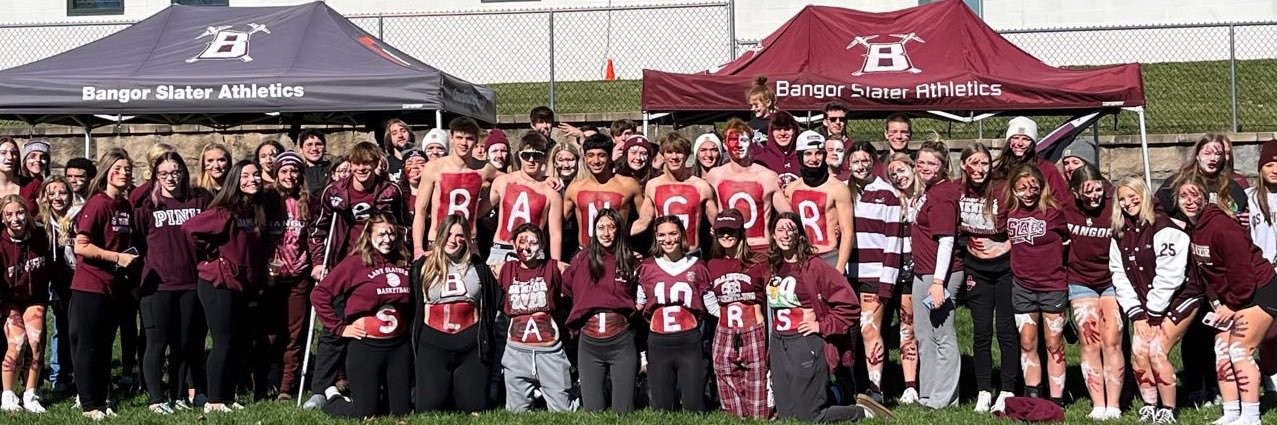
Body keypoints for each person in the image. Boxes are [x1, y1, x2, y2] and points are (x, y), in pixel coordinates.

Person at [304, 142, 405, 409]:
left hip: (381, 265)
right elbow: (318, 229)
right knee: (334, 329)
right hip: (344, 264)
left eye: (367, 163)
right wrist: (317, 263)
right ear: (351, 164)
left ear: (376, 164)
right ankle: (320, 387)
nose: (362, 168)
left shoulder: (390, 191)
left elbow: (402, 223)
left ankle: (369, 380)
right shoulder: (335, 192)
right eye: (358, 163)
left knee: (379, 323)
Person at [766, 212, 891, 422]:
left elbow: (849, 304)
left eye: (791, 229)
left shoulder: (815, 266)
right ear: (773, 235)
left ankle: (863, 411)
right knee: (788, 416)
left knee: (811, 416)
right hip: (779, 343)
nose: (786, 235)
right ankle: (839, 392)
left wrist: (821, 325)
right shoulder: (772, 266)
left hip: (805, 342)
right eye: (780, 229)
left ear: (800, 235)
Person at [1155, 134, 1246, 405]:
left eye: (1218, 152)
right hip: (1188, 265)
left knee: (1218, 329)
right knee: (1194, 329)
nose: (1212, 157)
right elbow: (1157, 211)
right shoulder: (1176, 182)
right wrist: (1177, 226)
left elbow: (1241, 219)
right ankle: (1196, 385)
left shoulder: (1232, 185)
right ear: (1197, 154)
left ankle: (1219, 386)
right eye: (1207, 151)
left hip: (1218, 267)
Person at [1179, 175, 1277, 425]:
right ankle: (1232, 412)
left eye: (1194, 195)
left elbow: (1243, 275)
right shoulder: (1194, 228)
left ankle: (1251, 415)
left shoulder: (1222, 226)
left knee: (1239, 350)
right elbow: (1205, 275)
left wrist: (1231, 305)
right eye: (1183, 196)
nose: (1189, 201)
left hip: (1259, 291)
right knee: (1221, 351)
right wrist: (1217, 304)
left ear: (1205, 197)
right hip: (1233, 298)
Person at [1109, 176, 1199, 424]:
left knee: (1157, 350)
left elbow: (1171, 275)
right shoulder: (1119, 233)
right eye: (1122, 199)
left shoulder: (1165, 227)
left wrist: (1154, 313)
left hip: (1181, 297)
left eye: (1133, 196)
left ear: (1144, 195)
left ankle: (1168, 409)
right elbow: (1119, 274)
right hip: (1146, 306)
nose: (1128, 203)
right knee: (1139, 351)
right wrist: (1137, 313)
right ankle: (1150, 405)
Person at [183, 159, 267, 413]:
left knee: (237, 342)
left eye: (256, 175)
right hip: (217, 283)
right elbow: (190, 229)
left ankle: (227, 396)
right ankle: (214, 400)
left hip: (242, 285)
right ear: (235, 181)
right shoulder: (224, 210)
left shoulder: (252, 209)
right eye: (246, 176)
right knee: (223, 341)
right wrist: (212, 253)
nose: (252, 180)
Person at [310, 213, 412, 418]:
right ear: (368, 235)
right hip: (366, 348)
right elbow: (319, 294)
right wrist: (340, 328)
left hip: (398, 348)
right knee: (364, 413)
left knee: (401, 412)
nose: (388, 239)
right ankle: (333, 398)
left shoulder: (403, 262)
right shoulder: (354, 263)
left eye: (392, 234)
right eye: (382, 233)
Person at [133, 152, 212, 415]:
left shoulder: (198, 200)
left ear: (184, 172)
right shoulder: (148, 205)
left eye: (175, 171)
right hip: (158, 285)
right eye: (164, 173)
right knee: (157, 342)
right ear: (155, 175)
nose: (170, 177)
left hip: (190, 282)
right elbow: (139, 239)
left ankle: (178, 395)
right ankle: (156, 398)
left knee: (184, 343)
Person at [70, 149, 137, 420]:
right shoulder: (98, 203)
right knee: (88, 345)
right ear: (107, 171)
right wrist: (117, 257)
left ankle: (100, 398)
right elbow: (81, 246)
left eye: (128, 169)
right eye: (118, 168)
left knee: (106, 346)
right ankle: (88, 404)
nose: (123, 173)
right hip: (90, 286)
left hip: (114, 287)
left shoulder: (124, 205)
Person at [411, 213, 499, 413]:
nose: (453, 239)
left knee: (474, 407)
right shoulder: (422, 266)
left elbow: (493, 302)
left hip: (470, 343)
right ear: (440, 235)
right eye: (449, 234)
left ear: (467, 239)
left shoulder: (478, 267)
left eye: (460, 236)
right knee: (428, 408)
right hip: (433, 342)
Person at [956, 143, 1019, 413]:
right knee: (981, 331)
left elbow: (1021, 222)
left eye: (984, 163)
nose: (979, 169)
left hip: (1005, 268)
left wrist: (1007, 245)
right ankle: (984, 390)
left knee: (1006, 331)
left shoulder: (1002, 189)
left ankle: (1007, 390)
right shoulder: (957, 191)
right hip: (976, 269)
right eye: (974, 163)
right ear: (963, 165)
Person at [845, 141, 906, 405]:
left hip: (874, 274)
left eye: (865, 159)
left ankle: (876, 388)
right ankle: (850, 386)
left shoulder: (888, 194)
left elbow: (894, 242)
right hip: (846, 273)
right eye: (856, 160)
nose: (861, 165)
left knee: (870, 331)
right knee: (849, 334)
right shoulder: (841, 190)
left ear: (874, 161)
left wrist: (886, 283)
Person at [561, 208, 640, 413]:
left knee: (623, 411)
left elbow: (638, 292)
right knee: (593, 411)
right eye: (601, 227)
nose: (606, 233)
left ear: (618, 230)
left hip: (621, 340)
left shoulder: (630, 259)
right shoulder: (581, 259)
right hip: (589, 341)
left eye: (611, 227)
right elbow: (566, 288)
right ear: (594, 231)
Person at [1062, 164, 1123, 419]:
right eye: (1088, 192)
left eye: (1098, 190)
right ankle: (1098, 404)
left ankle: (1115, 405)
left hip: (1111, 280)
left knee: (1112, 338)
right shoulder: (1065, 208)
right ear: (1076, 192)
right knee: (1090, 339)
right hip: (1080, 280)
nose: (1095, 196)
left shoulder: (1114, 205)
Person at [1004, 164, 1069, 404]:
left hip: (1053, 285)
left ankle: (1056, 399)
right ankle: (1033, 394)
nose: (1029, 193)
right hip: (1023, 286)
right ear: (1013, 189)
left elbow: (1069, 239)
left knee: (1054, 343)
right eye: (1022, 188)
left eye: (1034, 187)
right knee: (1027, 342)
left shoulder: (1053, 211)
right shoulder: (1010, 213)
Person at [636, 216, 711, 412]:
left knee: (694, 407)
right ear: (655, 237)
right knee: (662, 408)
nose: (668, 240)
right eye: (662, 235)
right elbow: (639, 304)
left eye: (672, 233)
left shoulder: (698, 265)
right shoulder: (647, 267)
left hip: (689, 340)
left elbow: (712, 305)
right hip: (659, 341)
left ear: (682, 235)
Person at [495, 223, 573, 412]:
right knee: (516, 413)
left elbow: (582, 274)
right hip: (516, 351)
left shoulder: (554, 267)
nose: (527, 247)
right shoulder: (504, 269)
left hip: (550, 352)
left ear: (542, 246)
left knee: (563, 411)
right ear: (513, 245)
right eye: (522, 242)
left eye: (533, 242)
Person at [909, 141, 964, 409]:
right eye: (921, 162)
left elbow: (946, 241)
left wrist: (939, 283)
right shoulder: (929, 191)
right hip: (922, 272)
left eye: (932, 163)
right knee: (924, 335)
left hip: (940, 274)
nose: (925, 168)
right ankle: (928, 394)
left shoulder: (943, 194)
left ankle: (946, 398)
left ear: (943, 166)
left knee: (942, 335)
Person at [705, 209, 769, 419]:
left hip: (753, 330)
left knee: (757, 390)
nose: (726, 236)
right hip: (724, 331)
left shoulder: (759, 263)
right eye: (721, 231)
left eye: (731, 231)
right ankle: (739, 416)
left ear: (741, 233)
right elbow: (707, 298)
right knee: (725, 375)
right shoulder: (712, 264)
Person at [263, 151, 312, 402]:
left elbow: (313, 238)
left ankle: (286, 386)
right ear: (276, 175)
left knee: (295, 331)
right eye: (284, 171)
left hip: (299, 275)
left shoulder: (307, 201)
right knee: (272, 331)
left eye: (293, 171)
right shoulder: (269, 200)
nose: (289, 176)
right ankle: (268, 377)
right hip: (272, 275)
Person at [412, 117, 498, 259]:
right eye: (459, 137)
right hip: (438, 241)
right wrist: (418, 249)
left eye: (469, 139)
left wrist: (545, 180)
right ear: (451, 137)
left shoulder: (484, 168)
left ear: (477, 141)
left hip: (469, 242)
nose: (464, 143)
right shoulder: (434, 167)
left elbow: (510, 180)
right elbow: (420, 211)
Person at [704, 119, 785, 252]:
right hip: (729, 247)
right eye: (733, 140)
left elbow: (787, 215)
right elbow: (706, 207)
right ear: (724, 145)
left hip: (760, 247)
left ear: (751, 143)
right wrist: (716, 226)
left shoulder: (767, 176)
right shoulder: (715, 175)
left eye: (744, 140)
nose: (738, 145)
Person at [0, 195, 50, 413]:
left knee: (36, 341)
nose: (15, 219)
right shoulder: (0, 242)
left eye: (19, 213)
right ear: (2, 217)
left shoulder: (40, 235)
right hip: (8, 299)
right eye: (8, 214)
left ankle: (30, 393)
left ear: (27, 214)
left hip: (35, 297)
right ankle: (8, 394)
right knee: (17, 342)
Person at [484, 132, 564, 264]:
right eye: (526, 155)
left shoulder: (551, 191)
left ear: (545, 158)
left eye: (537, 155)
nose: (531, 160)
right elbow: (477, 211)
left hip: (533, 252)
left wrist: (555, 266)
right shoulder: (503, 181)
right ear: (520, 156)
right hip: (501, 250)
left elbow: (555, 234)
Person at [781, 131, 852, 271]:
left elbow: (847, 231)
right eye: (808, 154)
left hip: (828, 256)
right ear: (800, 156)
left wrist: (840, 266)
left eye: (818, 153)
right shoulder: (791, 189)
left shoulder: (838, 188)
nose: (814, 158)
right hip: (800, 256)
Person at [638, 133, 717, 256]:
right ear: (663, 155)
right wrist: (621, 240)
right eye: (669, 152)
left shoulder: (701, 186)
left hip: (691, 253)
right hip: (663, 253)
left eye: (679, 152)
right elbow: (643, 222)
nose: (674, 157)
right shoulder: (652, 185)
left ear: (686, 155)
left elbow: (717, 222)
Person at [563, 134, 646, 249]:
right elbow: (557, 223)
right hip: (586, 253)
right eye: (590, 156)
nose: (596, 161)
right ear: (585, 159)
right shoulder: (575, 188)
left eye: (601, 155)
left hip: (617, 252)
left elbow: (646, 219)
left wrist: (623, 235)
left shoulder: (628, 185)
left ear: (610, 157)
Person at [884, 154, 922, 404]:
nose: (899, 176)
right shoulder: (891, 201)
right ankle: (903, 384)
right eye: (893, 174)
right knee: (901, 327)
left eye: (902, 169)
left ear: (912, 167)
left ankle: (916, 383)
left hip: (919, 271)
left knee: (912, 327)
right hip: (892, 269)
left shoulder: (925, 198)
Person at [38, 177, 78, 396]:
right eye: (51, 193)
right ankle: (58, 376)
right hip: (54, 282)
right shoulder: (40, 223)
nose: (57, 197)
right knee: (58, 329)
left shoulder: (77, 217)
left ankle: (75, 373)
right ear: (45, 196)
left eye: (62, 192)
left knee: (75, 329)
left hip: (77, 279)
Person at [1245, 139, 1277, 397]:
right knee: (1268, 331)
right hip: (1260, 271)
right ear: (1260, 168)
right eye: (1269, 164)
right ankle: (1268, 371)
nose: (1274, 169)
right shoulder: (1249, 199)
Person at [992, 117, 1068, 203]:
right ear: (1009, 142)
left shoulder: (1047, 169)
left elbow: (1062, 201)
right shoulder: (1000, 171)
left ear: (1032, 143)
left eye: (1026, 139)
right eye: (1016, 138)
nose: (1020, 143)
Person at [756, 111, 802, 188]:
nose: (782, 133)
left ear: (794, 130)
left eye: (787, 129)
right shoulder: (760, 160)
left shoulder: (805, 157)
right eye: (778, 129)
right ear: (771, 132)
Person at [18, 139, 49, 212]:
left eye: (43, 157)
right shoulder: (17, 183)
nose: (38, 160)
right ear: (25, 160)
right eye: (33, 156)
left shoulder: (49, 184)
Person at [400, 148, 427, 227]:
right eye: (409, 163)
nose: (415, 166)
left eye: (421, 163)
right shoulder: (398, 194)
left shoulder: (436, 194)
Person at [298, 131, 331, 195]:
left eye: (318, 144)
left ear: (325, 148)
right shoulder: (298, 171)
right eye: (309, 144)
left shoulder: (333, 169)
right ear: (301, 149)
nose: (314, 148)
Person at [383, 118, 415, 183]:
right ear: (389, 138)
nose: (400, 135)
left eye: (403, 131)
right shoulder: (386, 163)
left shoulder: (419, 161)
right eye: (394, 133)